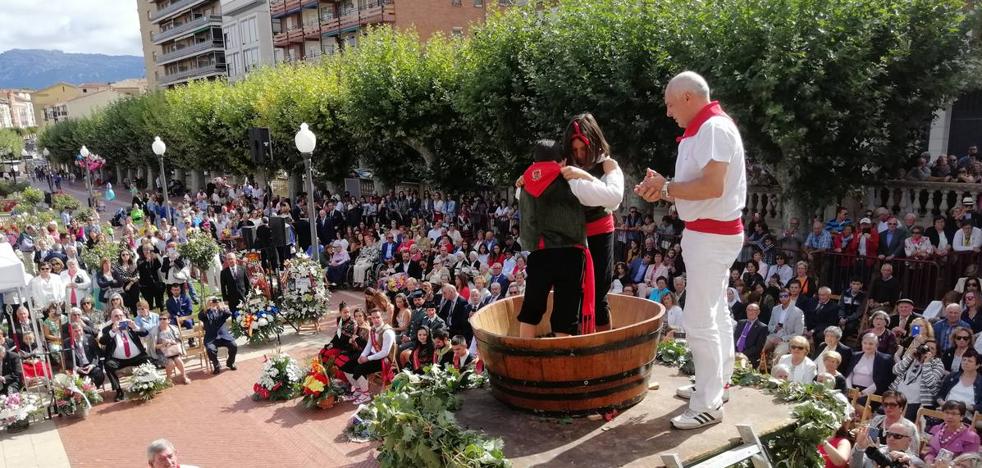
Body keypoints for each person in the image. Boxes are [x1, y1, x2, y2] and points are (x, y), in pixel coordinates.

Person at [635, 72, 747, 429]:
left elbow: (712, 186)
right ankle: (717, 386)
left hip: (711, 237)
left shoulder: (713, 128)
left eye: (669, 104)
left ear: (686, 97)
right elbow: (701, 184)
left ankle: (709, 402)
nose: (668, 112)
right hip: (709, 234)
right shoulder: (708, 127)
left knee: (701, 318)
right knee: (713, 314)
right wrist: (664, 187)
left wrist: (666, 187)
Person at [341, 309, 396, 405]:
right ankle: (358, 390)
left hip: (383, 360)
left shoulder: (388, 332)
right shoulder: (373, 329)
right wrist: (362, 356)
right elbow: (368, 346)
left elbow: (385, 353)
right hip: (372, 355)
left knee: (359, 369)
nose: (376, 320)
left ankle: (365, 394)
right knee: (346, 366)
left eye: (378, 317)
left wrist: (367, 358)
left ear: (382, 317)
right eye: (373, 318)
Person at [100, 308, 151, 401]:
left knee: (147, 359)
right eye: (116, 316)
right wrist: (113, 331)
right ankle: (119, 391)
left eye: (121, 315)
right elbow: (102, 341)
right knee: (108, 365)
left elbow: (145, 333)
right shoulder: (107, 329)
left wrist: (135, 327)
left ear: (124, 316)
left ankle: (147, 385)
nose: (119, 317)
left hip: (136, 357)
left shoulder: (131, 325)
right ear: (112, 318)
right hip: (119, 360)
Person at [890, 339, 944, 420]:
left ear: (936, 353)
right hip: (897, 397)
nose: (928, 349)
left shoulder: (938, 364)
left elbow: (930, 382)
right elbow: (895, 370)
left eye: (932, 348)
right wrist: (910, 356)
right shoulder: (913, 358)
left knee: (903, 426)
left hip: (916, 404)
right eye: (926, 347)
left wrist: (926, 362)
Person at [923, 400, 981, 465]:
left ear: (962, 417)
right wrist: (929, 462)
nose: (949, 416)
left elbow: (967, 464)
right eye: (947, 413)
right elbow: (931, 452)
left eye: (954, 414)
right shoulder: (937, 429)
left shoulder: (972, 437)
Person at [849, 422, 923, 468]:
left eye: (897, 436)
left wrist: (908, 460)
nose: (891, 438)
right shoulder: (874, 450)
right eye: (889, 434)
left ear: (909, 440)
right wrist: (859, 448)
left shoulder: (913, 460)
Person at [845, 333, 895, 398]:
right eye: (865, 343)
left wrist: (862, 393)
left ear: (877, 345)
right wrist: (850, 390)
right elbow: (849, 374)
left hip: (870, 394)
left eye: (871, 344)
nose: (867, 346)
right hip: (852, 390)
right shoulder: (855, 355)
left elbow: (880, 382)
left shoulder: (884, 359)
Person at [147, 314, 190, 385]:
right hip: (161, 353)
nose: (162, 320)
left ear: (169, 320)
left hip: (174, 350)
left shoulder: (174, 329)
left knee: (178, 360)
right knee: (171, 363)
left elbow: (179, 341)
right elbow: (154, 347)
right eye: (160, 319)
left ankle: (184, 376)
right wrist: (163, 345)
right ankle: (168, 378)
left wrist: (172, 342)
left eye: (164, 319)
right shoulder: (154, 331)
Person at [199, 297, 237, 375]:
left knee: (234, 345)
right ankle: (216, 365)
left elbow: (229, 314)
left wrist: (221, 307)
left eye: (215, 301)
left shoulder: (221, 310)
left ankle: (230, 363)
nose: (214, 303)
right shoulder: (206, 312)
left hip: (224, 336)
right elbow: (200, 316)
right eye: (212, 301)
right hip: (211, 338)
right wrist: (207, 307)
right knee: (210, 349)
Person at [763, 289, 806, 359]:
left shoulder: (798, 312)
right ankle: (759, 368)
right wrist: (775, 328)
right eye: (781, 296)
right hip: (774, 335)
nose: (783, 298)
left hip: (787, 339)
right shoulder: (775, 309)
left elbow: (798, 333)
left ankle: (775, 369)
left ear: (790, 297)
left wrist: (782, 339)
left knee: (778, 354)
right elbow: (769, 326)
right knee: (760, 347)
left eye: (785, 296)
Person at [63, 322, 104, 387]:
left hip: (91, 365)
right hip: (78, 367)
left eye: (80, 330)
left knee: (99, 374)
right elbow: (66, 360)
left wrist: (92, 365)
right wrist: (77, 368)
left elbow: (97, 353)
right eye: (76, 331)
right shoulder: (66, 343)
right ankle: (87, 387)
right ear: (71, 332)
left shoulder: (89, 338)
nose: (78, 333)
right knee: (73, 382)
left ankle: (90, 386)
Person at [733, 302, 768, 367]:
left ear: (758, 312)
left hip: (749, 356)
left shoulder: (762, 327)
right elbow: (735, 338)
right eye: (749, 310)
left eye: (753, 310)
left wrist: (741, 354)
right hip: (734, 352)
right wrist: (734, 351)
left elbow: (758, 347)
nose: (750, 312)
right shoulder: (740, 322)